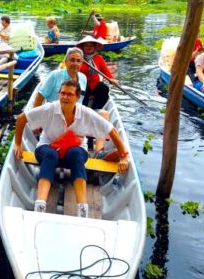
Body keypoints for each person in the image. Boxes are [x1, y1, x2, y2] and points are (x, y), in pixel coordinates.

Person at [14, 80, 129, 218]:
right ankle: (40, 205)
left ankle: (82, 208)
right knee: (51, 155)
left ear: (77, 97)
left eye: (69, 94)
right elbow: (21, 119)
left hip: (74, 153)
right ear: (59, 94)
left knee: (76, 154)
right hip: (47, 149)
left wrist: (123, 156)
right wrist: (18, 144)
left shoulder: (85, 113)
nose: (65, 97)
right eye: (62, 93)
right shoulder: (49, 108)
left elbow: (112, 131)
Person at [76, 36, 117, 111]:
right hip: (83, 84)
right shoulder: (79, 58)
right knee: (84, 89)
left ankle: (96, 109)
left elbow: (106, 71)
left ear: (95, 47)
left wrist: (112, 80)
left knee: (104, 88)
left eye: (91, 45)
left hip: (95, 85)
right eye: (86, 45)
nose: (89, 47)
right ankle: (83, 110)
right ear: (83, 47)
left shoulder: (99, 58)